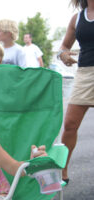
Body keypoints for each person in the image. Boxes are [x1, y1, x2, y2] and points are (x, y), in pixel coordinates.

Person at [58, 0, 94, 185]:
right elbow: (64, 46)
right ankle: (63, 168)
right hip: (85, 73)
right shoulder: (77, 18)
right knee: (70, 124)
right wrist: (63, 54)